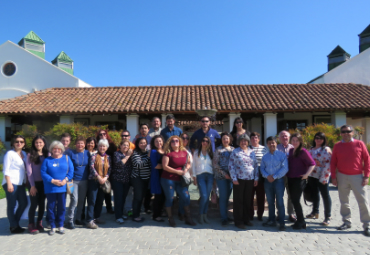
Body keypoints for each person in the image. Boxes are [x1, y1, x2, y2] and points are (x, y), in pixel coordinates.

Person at [331, 125, 370, 236]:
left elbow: (367, 160)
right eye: (343, 132)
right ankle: (346, 222)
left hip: (357, 176)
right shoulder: (337, 146)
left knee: (363, 201)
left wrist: (366, 176)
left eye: (348, 131)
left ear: (353, 132)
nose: (346, 133)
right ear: (341, 133)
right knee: (344, 201)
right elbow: (333, 162)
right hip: (342, 176)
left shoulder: (359, 144)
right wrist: (334, 177)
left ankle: (367, 225)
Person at [161, 135, 196, 227]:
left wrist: (185, 170)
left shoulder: (184, 152)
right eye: (172, 141)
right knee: (170, 198)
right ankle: (171, 218)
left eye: (177, 140)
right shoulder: (168, 153)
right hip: (168, 179)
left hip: (181, 179)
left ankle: (188, 218)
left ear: (180, 142)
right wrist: (177, 171)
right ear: (170, 143)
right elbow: (165, 166)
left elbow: (188, 163)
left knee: (186, 196)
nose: (175, 142)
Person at [41, 141, 74, 235]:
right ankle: (52, 226)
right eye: (54, 148)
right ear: (51, 149)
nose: (56, 150)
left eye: (58, 148)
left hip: (63, 188)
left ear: (62, 150)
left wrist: (65, 180)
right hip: (51, 188)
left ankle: (60, 225)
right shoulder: (47, 160)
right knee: (51, 207)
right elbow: (43, 173)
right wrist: (52, 181)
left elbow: (71, 171)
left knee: (62, 207)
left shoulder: (66, 158)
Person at [228, 133, 258, 229]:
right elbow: (231, 165)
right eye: (241, 140)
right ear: (239, 142)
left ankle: (246, 219)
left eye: (245, 141)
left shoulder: (251, 152)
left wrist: (256, 178)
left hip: (250, 179)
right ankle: (238, 221)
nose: (243, 142)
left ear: (248, 142)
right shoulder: (235, 152)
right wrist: (234, 178)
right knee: (238, 200)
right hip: (239, 179)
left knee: (247, 200)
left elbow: (255, 165)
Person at [287, 133, 316, 230]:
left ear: (300, 142)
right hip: (290, 178)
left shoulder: (303, 151)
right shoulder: (291, 150)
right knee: (293, 200)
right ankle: (300, 221)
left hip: (299, 179)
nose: (294, 142)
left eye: (297, 140)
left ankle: (301, 221)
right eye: (293, 140)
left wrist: (306, 175)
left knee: (295, 200)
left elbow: (312, 163)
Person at [260, 136, 288, 231]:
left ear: (276, 143)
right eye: (269, 143)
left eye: (273, 142)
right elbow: (262, 168)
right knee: (270, 201)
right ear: (267, 145)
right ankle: (271, 220)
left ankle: (281, 222)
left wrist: (274, 176)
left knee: (279, 201)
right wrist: (267, 176)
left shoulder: (282, 155)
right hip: (268, 181)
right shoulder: (265, 156)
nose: (272, 144)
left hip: (279, 181)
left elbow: (285, 168)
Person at [2, 135, 28, 234]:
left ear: (24, 144)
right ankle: (13, 226)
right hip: (11, 182)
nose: (19, 143)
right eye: (17, 141)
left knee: (24, 203)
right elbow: (6, 170)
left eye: (21, 142)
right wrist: (9, 183)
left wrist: (26, 180)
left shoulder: (24, 154)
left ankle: (15, 223)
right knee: (12, 205)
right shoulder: (10, 154)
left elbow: (24, 169)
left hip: (20, 183)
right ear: (13, 143)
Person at [307, 132, 332, 226]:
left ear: (324, 140)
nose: (318, 140)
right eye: (317, 138)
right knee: (314, 194)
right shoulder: (311, 149)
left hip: (323, 176)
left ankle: (327, 217)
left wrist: (324, 177)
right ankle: (315, 212)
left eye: (321, 138)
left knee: (325, 195)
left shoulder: (326, 149)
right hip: (312, 175)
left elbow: (328, 164)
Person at [65, 137, 91, 229]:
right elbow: (66, 165)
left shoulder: (87, 153)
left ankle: (78, 218)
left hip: (84, 181)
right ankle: (70, 220)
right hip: (72, 181)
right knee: (74, 199)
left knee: (81, 200)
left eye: (82, 143)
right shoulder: (70, 153)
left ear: (85, 145)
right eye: (78, 143)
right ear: (75, 144)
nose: (80, 145)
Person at [86, 139, 111, 229]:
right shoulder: (93, 156)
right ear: (98, 147)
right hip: (94, 180)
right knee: (92, 200)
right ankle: (89, 220)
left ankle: (97, 217)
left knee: (100, 200)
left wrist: (105, 178)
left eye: (104, 146)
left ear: (107, 148)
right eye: (100, 146)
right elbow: (91, 168)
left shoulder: (108, 157)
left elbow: (110, 169)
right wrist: (99, 177)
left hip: (103, 181)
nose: (102, 147)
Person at [26, 135, 49, 234]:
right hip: (33, 184)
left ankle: (39, 222)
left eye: (40, 142)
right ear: (34, 144)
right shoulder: (30, 154)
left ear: (44, 143)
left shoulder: (47, 154)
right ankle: (31, 224)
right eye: (36, 142)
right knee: (34, 204)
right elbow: (29, 172)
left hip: (44, 183)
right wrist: (32, 186)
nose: (38, 144)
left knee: (42, 204)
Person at [213, 132, 234, 226]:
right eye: (224, 138)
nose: (225, 140)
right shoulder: (218, 150)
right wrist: (225, 174)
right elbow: (215, 164)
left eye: (227, 138)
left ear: (230, 139)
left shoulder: (233, 150)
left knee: (227, 197)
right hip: (221, 177)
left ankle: (225, 215)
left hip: (231, 176)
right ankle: (223, 218)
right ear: (221, 140)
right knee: (223, 197)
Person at [192, 136, 214, 224]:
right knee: (204, 196)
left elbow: (214, 165)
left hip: (210, 175)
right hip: (200, 175)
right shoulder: (196, 152)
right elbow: (193, 165)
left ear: (209, 143)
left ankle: (205, 215)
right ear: (201, 142)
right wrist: (194, 176)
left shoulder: (211, 153)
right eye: (203, 140)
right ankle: (200, 215)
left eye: (207, 141)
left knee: (207, 196)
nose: (205, 142)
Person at [111, 140, 133, 224]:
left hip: (126, 180)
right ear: (120, 146)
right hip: (117, 180)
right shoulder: (116, 154)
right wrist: (127, 156)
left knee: (123, 198)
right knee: (118, 198)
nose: (125, 147)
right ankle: (118, 216)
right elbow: (120, 163)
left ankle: (121, 213)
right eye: (124, 145)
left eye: (127, 145)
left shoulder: (128, 154)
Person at [130, 137, 151, 222]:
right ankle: (135, 216)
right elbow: (138, 165)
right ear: (138, 144)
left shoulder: (147, 152)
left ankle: (138, 213)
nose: (143, 144)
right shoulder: (135, 153)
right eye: (141, 143)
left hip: (146, 178)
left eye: (144, 143)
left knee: (142, 198)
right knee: (138, 198)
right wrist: (148, 158)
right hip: (138, 178)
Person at [96, 129, 116, 214]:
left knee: (107, 189)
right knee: (99, 193)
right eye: (100, 134)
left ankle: (109, 208)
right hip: (98, 172)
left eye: (104, 134)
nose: (102, 135)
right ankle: (97, 211)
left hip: (109, 170)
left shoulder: (112, 145)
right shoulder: (96, 144)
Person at [277, 130, 296, 222]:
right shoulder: (276, 148)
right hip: (279, 175)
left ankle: (291, 213)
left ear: (289, 137)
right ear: (279, 138)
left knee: (291, 195)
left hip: (291, 175)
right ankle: (279, 213)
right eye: (282, 136)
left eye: (286, 136)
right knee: (279, 195)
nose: (284, 138)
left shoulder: (293, 148)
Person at [249, 132, 268, 221]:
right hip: (249, 174)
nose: (254, 139)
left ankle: (260, 214)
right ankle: (250, 214)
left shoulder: (264, 149)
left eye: (256, 138)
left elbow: (267, 162)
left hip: (261, 174)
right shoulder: (247, 148)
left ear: (259, 139)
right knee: (250, 196)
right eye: (252, 138)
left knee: (261, 196)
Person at [150, 135, 166, 222]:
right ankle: (155, 215)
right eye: (156, 141)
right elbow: (155, 165)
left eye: (160, 141)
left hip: (164, 176)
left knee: (163, 196)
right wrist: (166, 166)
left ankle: (160, 212)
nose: (158, 143)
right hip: (157, 176)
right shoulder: (153, 151)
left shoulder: (165, 151)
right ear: (153, 143)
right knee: (158, 196)